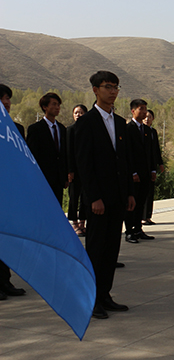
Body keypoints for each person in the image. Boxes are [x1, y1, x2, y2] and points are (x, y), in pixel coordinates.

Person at [74, 71, 135, 319]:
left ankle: (105, 294)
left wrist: (129, 193)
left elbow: (125, 161)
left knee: (111, 249)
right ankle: (91, 300)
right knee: (96, 250)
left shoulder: (120, 123)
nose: (113, 91)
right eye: (108, 86)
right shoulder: (86, 122)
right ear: (95, 90)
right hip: (99, 199)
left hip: (118, 197)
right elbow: (84, 164)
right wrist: (93, 197)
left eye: (116, 87)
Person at [0, 84, 27, 299]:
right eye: (3, 99)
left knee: (7, 240)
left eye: (8, 98)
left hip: (9, 193)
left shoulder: (16, 128)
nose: (7, 102)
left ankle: (5, 281)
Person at [123, 99, 157, 244]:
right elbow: (127, 153)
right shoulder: (127, 129)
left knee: (141, 202)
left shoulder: (147, 130)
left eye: (145, 109)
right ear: (133, 111)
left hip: (146, 173)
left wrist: (153, 169)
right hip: (134, 174)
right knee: (132, 203)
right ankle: (129, 231)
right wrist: (132, 172)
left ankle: (138, 229)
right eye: (141, 109)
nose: (144, 112)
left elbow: (151, 152)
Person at [26, 93, 68, 204]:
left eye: (58, 105)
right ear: (45, 107)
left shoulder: (62, 129)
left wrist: (65, 175)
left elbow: (64, 153)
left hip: (59, 179)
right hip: (42, 178)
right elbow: (32, 154)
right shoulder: (36, 129)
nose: (57, 107)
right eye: (54, 104)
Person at [67, 104, 89, 236]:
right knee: (74, 197)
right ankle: (74, 222)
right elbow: (68, 151)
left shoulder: (88, 130)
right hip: (74, 170)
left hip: (86, 169)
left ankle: (82, 222)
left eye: (81, 112)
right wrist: (70, 170)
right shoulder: (70, 130)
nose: (78, 115)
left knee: (85, 197)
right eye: (76, 112)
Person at [142, 109, 164, 226]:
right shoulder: (140, 131)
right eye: (145, 116)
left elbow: (156, 149)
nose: (147, 119)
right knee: (143, 193)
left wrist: (160, 163)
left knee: (150, 192)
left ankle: (148, 216)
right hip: (143, 167)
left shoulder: (153, 132)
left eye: (149, 117)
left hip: (152, 166)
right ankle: (142, 217)